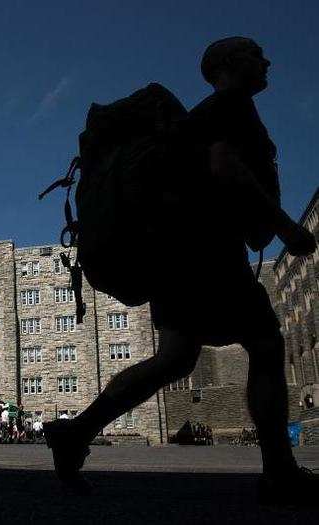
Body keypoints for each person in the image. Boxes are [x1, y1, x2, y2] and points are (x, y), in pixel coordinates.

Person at [43, 37, 318, 504]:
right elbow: (225, 167)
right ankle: (280, 472)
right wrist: (287, 228)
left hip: (175, 258)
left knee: (175, 358)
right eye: (255, 53)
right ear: (228, 65)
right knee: (266, 343)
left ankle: (77, 432)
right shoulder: (229, 107)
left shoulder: (204, 116)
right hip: (206, 253)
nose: (266, 60)